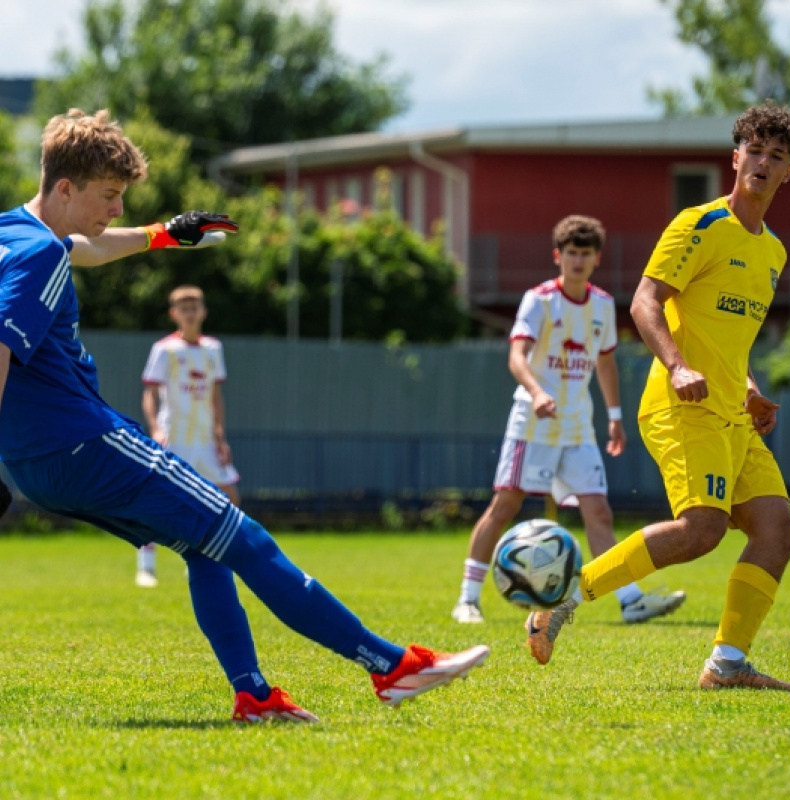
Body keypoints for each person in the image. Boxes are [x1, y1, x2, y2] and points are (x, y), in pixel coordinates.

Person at [0, 108, 489, 723]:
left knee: (205, 548)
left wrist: (163, 235)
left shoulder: (15, 233)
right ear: (66, 188)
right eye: (109, 196)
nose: (117, 211)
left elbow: (86, 249)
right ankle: (391, 666)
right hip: (84, 443)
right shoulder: (40, 255)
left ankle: (254, 694)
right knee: (243, 536)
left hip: (35, 462)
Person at [525, 101, 790, 691]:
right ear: (735, 157)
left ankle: (727, 666)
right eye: (755, 150)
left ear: (788, 174)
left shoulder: (773, 253)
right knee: (701, 529)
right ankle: (560, 604)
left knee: (777, 527)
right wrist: (675, 366)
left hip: (731, 410)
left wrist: (750, 389)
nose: (763, 161)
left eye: (777, 156)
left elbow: (729, 338)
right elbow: (645, 303)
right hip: (682, 403)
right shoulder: (699, 225)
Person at [452, 215, 685, 625]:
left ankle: (630, 600)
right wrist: (538, 393)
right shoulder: (539, 300)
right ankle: (468, 599)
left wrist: (615, 417)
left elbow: (605, 363)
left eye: (586, 254)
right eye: (571, 253)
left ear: (596, 259)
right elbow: (516, 357)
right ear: (558, 257)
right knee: (506, 504)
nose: (578, 261)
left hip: (578, 426)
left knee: (599, 512)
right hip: (533, 422)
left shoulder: (601, 304)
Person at [135, 285, 240, 587]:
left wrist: (220, 436)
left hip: (205, 439)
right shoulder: (164, 349)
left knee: (229, 496)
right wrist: (155, 428)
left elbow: (216, 395)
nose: (190, 312)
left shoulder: (212, 349)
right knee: (155, 498)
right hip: (175, 437)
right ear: (174, 314)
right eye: (184, 307)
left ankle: (215, 560)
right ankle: (146, 566)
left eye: (195, 307)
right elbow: (150, 393)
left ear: (204, 312)